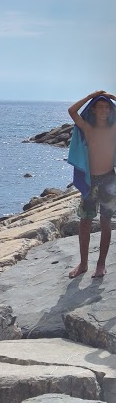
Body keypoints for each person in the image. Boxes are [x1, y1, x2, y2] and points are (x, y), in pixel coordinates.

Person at [69, 90, 116, 279]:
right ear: (94, 110)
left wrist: (113, 98)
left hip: (109, 180)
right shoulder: (87, 128)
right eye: (100, 107)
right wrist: (90, 97)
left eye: (107, 107)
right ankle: (83, 263)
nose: (104, 110)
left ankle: (101, 264)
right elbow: (72, 111)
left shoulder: (114, 128)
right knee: (85, 222)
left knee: (106, 222)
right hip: (90, 181)